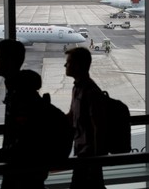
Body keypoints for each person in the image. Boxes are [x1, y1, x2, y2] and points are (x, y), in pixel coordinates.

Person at [0, 39, 49, 189]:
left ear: (10, 62)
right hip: (27, 172)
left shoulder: (21, 96)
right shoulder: (19, 91)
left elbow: (22, 143)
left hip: (22, 174)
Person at [64, 47, 107, 189]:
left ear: (77, 65)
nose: (65, 65)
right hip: (82, 153)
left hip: (89, 156)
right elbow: (71, 116)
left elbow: (98, 127)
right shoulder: (77, 88)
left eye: (68, 62)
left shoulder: (91, 92)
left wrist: (95, 157)